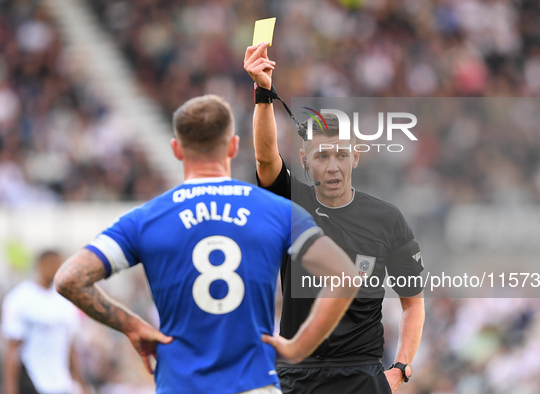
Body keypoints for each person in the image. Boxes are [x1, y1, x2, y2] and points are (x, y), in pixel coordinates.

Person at [54, 94, 359, 394]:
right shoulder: (276, 210)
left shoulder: (146, 219)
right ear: (233, 146)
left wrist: (133, 327)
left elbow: (70, 279)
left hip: (180, 385)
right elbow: (345, 275)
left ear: (176, 149)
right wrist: (298, 348)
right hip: (253, 383)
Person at [244, 42, 426, 393]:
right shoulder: (291, 202)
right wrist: (263, 94)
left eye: (341, 154)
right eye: (322, 155)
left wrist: (401, 368)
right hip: (297, 374)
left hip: (361, 375)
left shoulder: (387, 219)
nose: (332, 166)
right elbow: (266, 159)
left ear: (355, 157)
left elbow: (413, 303)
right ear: (305, 159)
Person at [1, 250, 88, 394]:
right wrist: (10, 389)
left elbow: (70, 346)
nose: (56, 269)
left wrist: (81, 383)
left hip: (61, 384)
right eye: (51, 265)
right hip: (32, 382)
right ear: (40, 266)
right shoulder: (20, 298)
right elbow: (12, 349)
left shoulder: (67, 300)